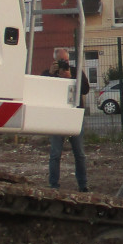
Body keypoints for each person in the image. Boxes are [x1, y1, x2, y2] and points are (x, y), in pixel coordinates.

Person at [45, 48, 89, 192]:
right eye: (61, 61)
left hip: (74, 114)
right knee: (55, 153)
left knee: (79, 153)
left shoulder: (76, 72)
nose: (64, 64)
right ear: (55, 61)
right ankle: (53, 184)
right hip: (58, 116)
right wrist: (52, 74)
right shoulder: (49, 73)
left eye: (66, 61)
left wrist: (71, 78)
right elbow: (43, 88)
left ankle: (83, 185)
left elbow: (85, 89)